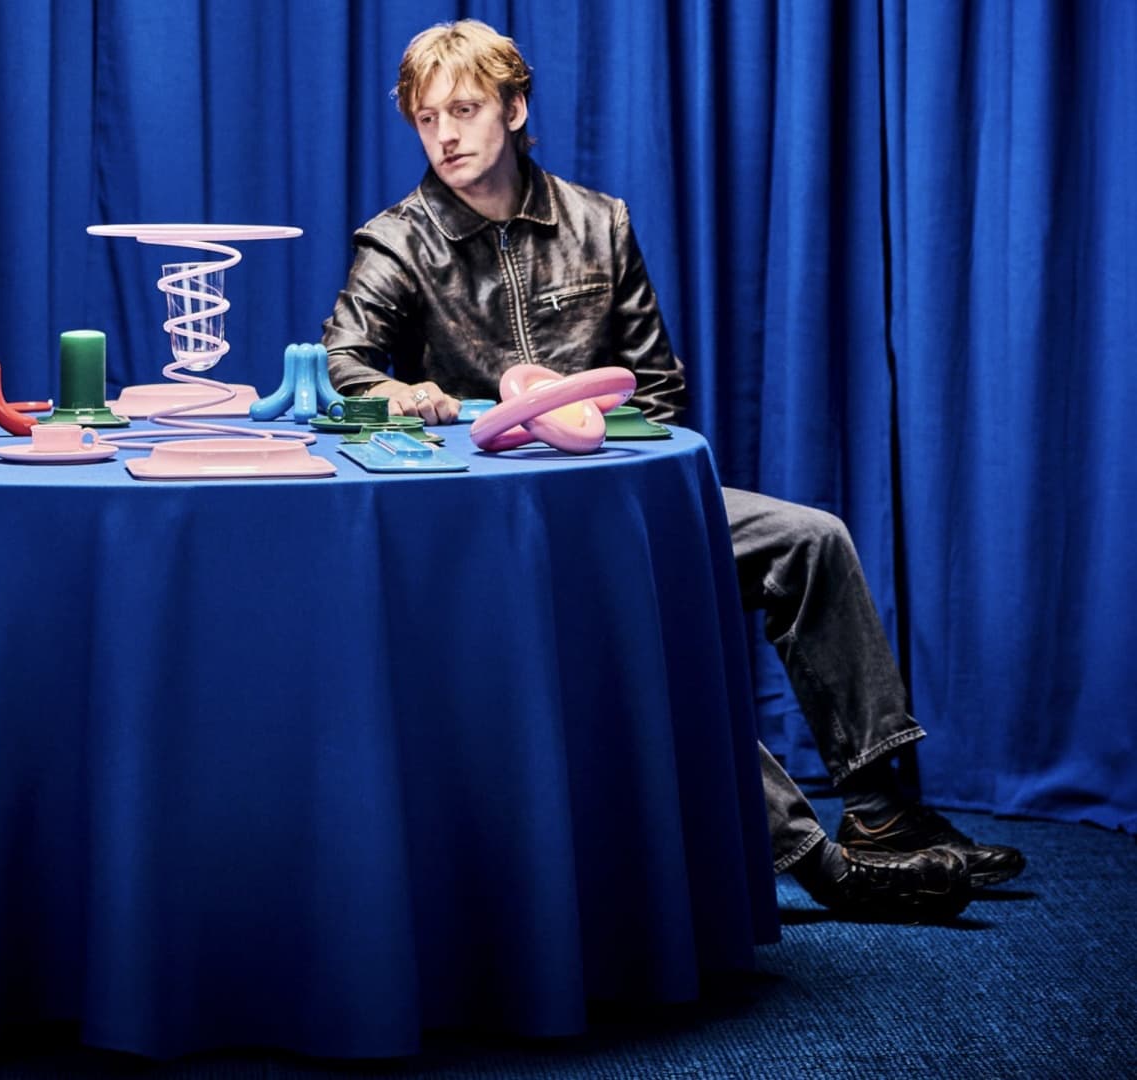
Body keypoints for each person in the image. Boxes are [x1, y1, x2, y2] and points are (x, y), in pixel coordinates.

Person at [322, 19, 1025, 921]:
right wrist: (407, 393)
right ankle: (814, 860)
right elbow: (344, 364)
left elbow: (656, 387)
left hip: (618, 493)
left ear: (515, 108)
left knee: (811, 539)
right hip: (500, 529)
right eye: (427, 119)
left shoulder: (599, 223)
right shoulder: (397, 241)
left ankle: (882, 812)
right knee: (641, 622)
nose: (445, 136)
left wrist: (590, 438)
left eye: (464, 110)